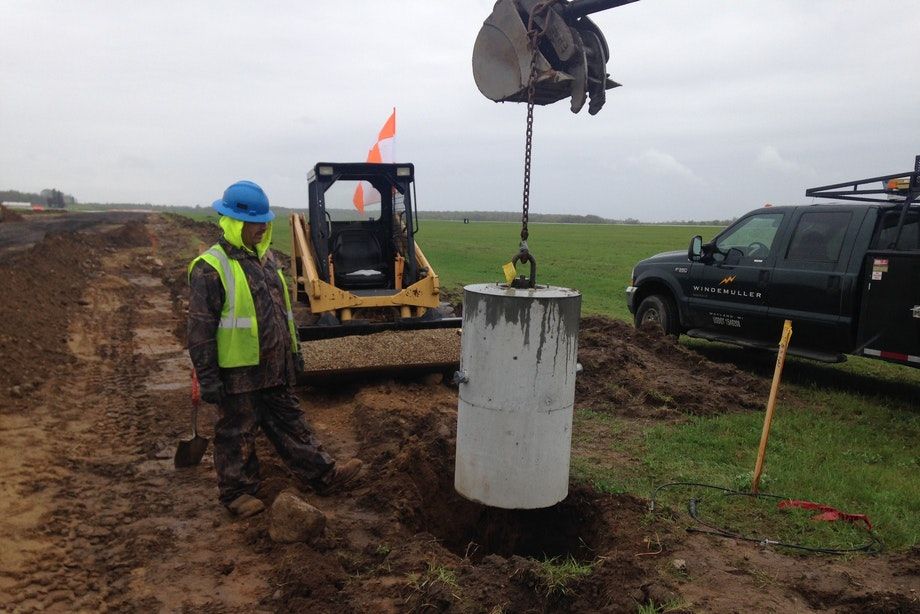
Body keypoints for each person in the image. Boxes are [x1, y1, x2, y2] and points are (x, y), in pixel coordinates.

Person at [187, 180, 362, 517]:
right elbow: (200, 330)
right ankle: (237, 494)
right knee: (236, 434)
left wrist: (293, 355)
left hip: (274, 369)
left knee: (293, 426)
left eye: (265, 220)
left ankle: (324, 475)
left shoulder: (267, 263)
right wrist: (208, 377)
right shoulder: (210, 268)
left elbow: (284, 317)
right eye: (256, 221)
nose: (263, 227)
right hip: (237, 374)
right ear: (235, 222)